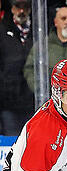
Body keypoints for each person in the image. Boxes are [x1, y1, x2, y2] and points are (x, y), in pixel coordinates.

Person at [0, 0, 34, 136]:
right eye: (18, 7)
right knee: (11, 145)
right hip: (9, 102)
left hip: (33, 101)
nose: (21, 11)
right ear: (12, 9)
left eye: (25, 7)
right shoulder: (2, 30)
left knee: (32, 143)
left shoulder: (39, 30)